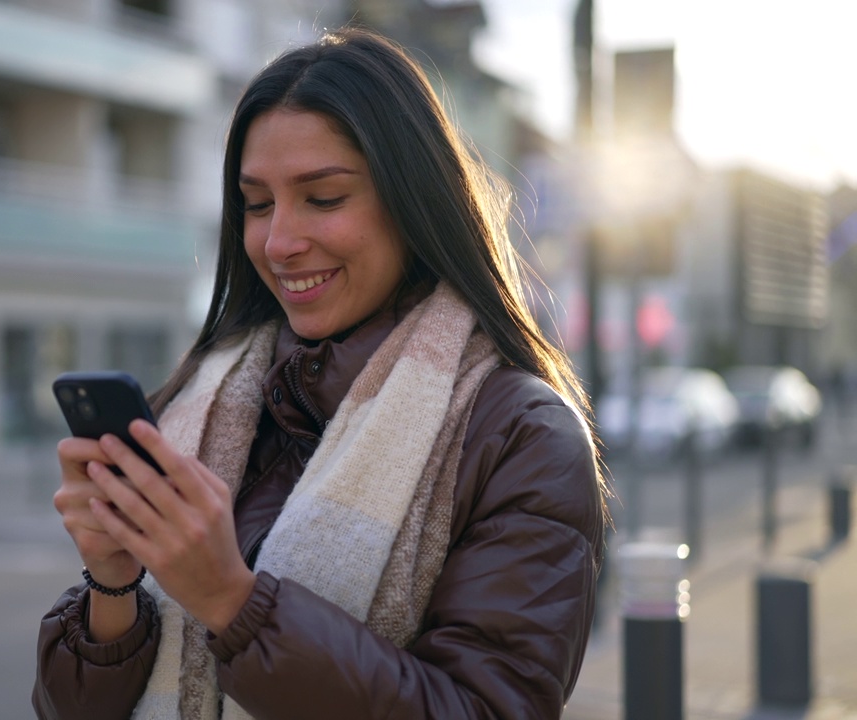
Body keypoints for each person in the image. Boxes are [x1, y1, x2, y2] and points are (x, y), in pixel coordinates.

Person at [33, 27, 607, 719]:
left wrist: (232, 603)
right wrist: (114, 584)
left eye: (324, 198)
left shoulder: (519, 433)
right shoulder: (203, 399)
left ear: (414, 200)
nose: (277, 242)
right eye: (257, 203)